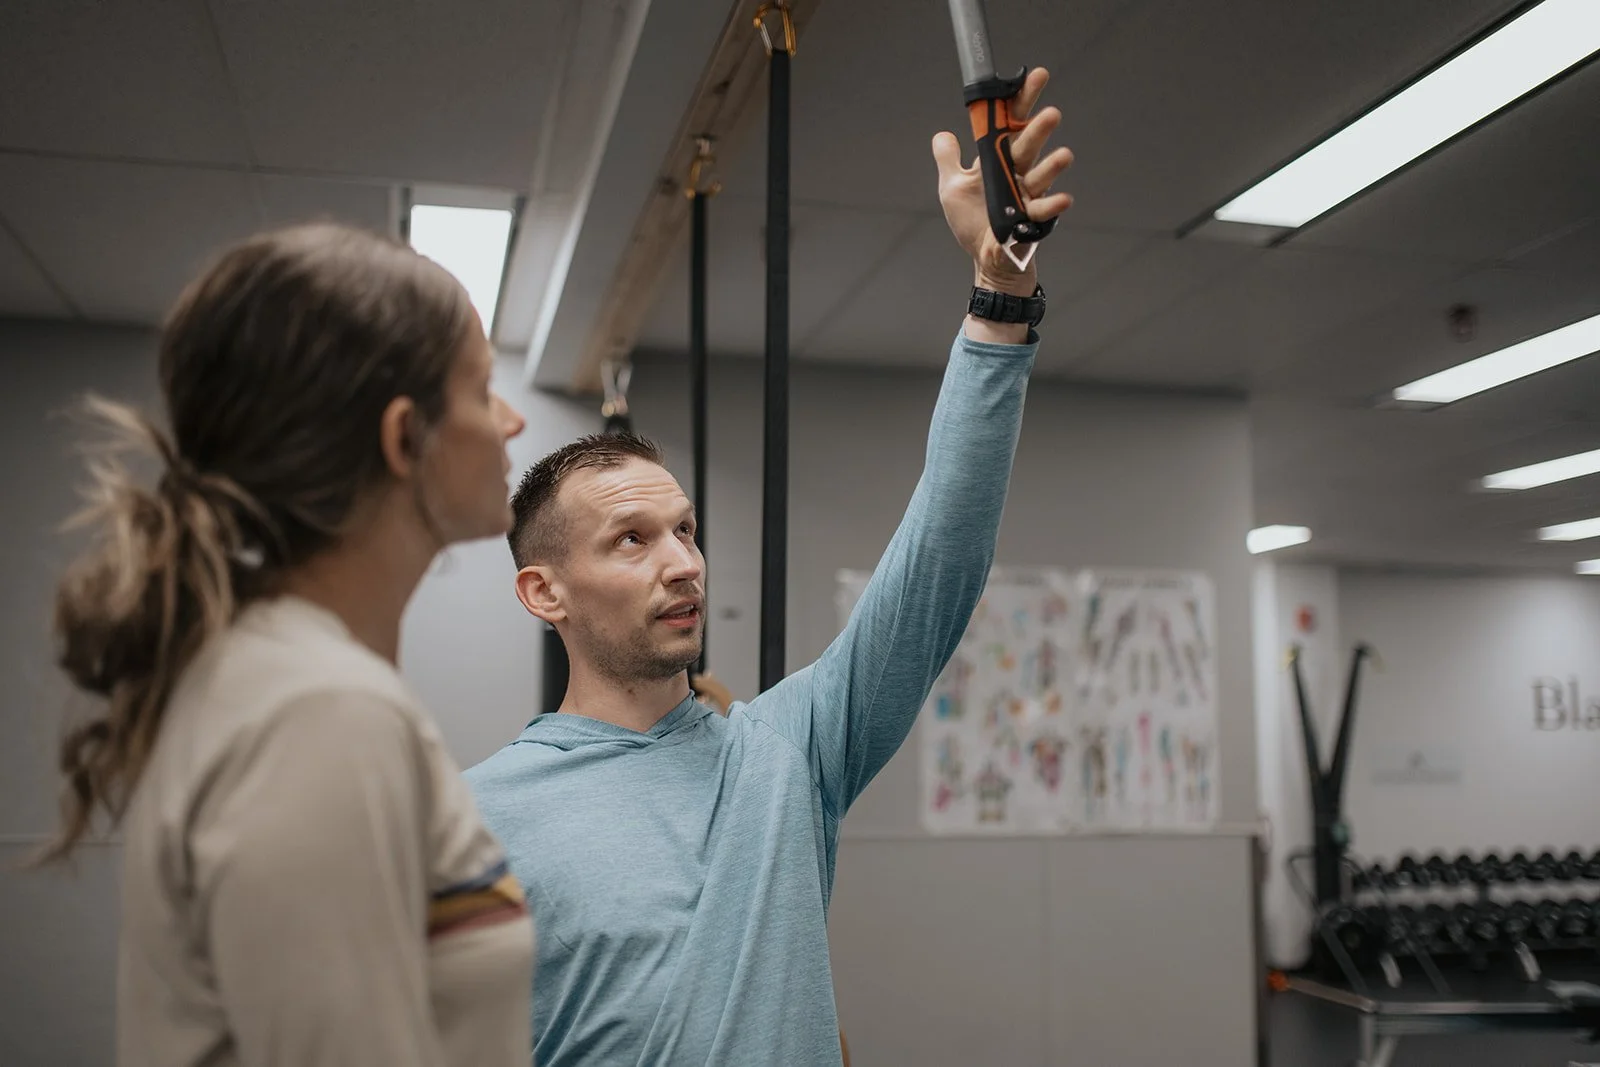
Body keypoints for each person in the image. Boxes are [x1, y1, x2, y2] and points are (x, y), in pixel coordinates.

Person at [466, 67, 1073, 1065]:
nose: (682, 563)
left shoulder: (787, 753)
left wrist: (999, 295)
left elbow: (943, 551)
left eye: (686, 530)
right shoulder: (477, 815)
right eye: (631, 539)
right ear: (543, 590)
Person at [37, 223, 536, 1067]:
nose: (513, 419)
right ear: (403, 437)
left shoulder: (279, 675)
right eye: (484, 389)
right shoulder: (320, 711)